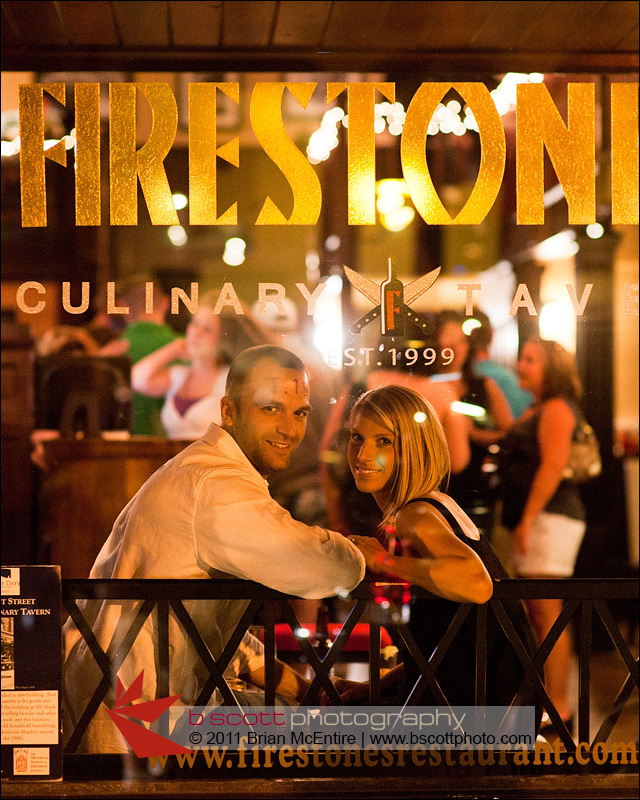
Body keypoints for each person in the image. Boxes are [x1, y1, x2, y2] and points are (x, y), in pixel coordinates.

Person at [62, 345, 366, 753]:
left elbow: (215, 636)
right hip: (144, 723)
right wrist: (369, 556)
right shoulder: (215, 485)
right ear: (228, 412)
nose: (290, 430)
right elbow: (325, 568)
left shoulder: (206, 471)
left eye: (300, 413)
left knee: (320, 724)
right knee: (348, 740)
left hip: (141, 711)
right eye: (270, 409)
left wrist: (310, 688)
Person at [325, 386, 539, 716]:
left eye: (384, 441)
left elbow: (477, 583)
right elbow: (448, 642)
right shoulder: (436, 505)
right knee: (322, 713)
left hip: (478, 723)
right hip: (498, 709)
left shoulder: (416, 516)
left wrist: (382, 560)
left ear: (412, 449)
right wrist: (376, 688)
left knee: (293, 735)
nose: (364, 454)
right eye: (357, 437)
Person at [499, 338, 587, 728]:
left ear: (551, 368)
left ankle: (559, 707)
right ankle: (551, 702)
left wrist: (528, 520)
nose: (521, 365)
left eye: (531, 360)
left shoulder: (555, 408)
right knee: (539, 612)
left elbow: (552, 466)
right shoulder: (536, 408)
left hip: (550, 518)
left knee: (546, 612)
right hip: (540, 518)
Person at [131, 293, 271, 440]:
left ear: (223, 339)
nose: (196, 333)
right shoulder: (179, 376)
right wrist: (175, 348)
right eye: (194, 324)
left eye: (207, 329)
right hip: (175, 461)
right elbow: (137, 379)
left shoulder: (230, 380)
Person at [431, 311, 514, 536]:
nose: (452, 348)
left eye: (459, 341)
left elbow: (510, 434)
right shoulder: (423, 385)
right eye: (445, 340)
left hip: (474, 494)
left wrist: (475, 434)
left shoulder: (483, 385)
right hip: (429, 494)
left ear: (468, 347)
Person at [112, 280, 179, 436]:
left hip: (121, 452)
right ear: (165, 303)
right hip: (175, 451)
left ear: (122, 307)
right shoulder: (189, 350)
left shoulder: (111, 354)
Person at [467, 312, 533, 420]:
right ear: (492, 335)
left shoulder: (472, 377)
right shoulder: (507, 377)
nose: (520, 366)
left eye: (529, 360)